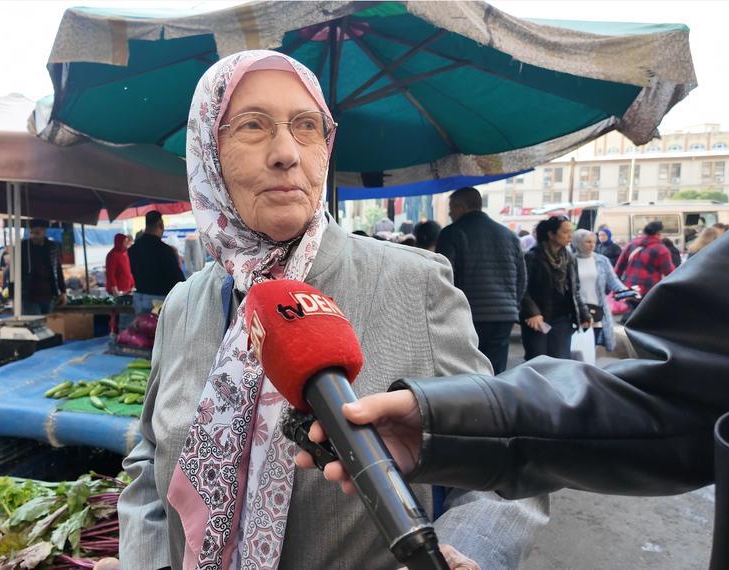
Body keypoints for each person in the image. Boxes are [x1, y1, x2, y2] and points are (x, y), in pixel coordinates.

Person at [116, 50, 546, 570]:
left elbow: (499, 469)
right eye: (252, 125)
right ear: (207, 149)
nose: (286, 152)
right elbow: (148, 457)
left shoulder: (415, 284)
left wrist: (464, 553)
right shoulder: (185, 304)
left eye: (307, 126)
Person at [296, 195, 729, 501]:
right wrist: (464, 415)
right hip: (502, 315)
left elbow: (688, 393)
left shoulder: (445, 250)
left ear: (457, 208)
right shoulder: (511, 239)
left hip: (482, 311)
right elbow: (685, 395)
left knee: (485, 373)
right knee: (491, 371)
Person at [435, 187, 526, 374]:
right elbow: (522, 278)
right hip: (503, 314)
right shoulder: (509, 235)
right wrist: (511, 304)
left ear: (460, 207)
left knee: (466, 370)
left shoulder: (452, 233)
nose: (450, 214)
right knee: (495, 371)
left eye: (451, 209)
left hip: (466, 313)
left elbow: (443, 275)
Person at [519, 216, 591, 360]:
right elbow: (521, 288)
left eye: (571, 232)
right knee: (538, 361)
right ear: (551, 234)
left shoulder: (569, 258)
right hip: (538, 319)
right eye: (565, 232)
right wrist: (533, 312)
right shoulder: (531, 257)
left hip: (563, 319)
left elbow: (574, 290)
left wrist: (584, 314)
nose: (570, 236)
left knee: (560, 361)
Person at [571, 229, 631, 355]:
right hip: (575, 311)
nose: (592, 245)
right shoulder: (569, 261)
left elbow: (613, 281)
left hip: (596, 311)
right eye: (588, 242)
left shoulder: (602, 260)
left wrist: (626, 292)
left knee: (591, 346)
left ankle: (589, 366)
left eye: (594, 241)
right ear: (578, 243)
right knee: (574, 346)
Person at [614, 220, 675, 302]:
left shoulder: (631, 244)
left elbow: (619, 267)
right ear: (658, 233)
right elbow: (670, 272)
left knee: (629, 308)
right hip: (649, 290)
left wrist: (616, 287)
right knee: (648, 310)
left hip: (629, 288)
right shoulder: (661, 250)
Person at [126, 211, 185, 296]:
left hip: (140, 299)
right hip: (162, 299)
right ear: (161, 225)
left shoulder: (132, 250)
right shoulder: (166, 250)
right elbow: (178, 280)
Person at [18, 220, 66, 315]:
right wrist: (13, 296)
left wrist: (63, 291)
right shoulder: (23, 246)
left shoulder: (52, 246)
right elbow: (14, 271)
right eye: (31, 233)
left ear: (44, 231)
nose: (33, 236)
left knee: (46, 322)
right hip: (29, 296)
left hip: (48, 295)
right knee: (35, 322)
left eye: (37, 233)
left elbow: (58, 270)